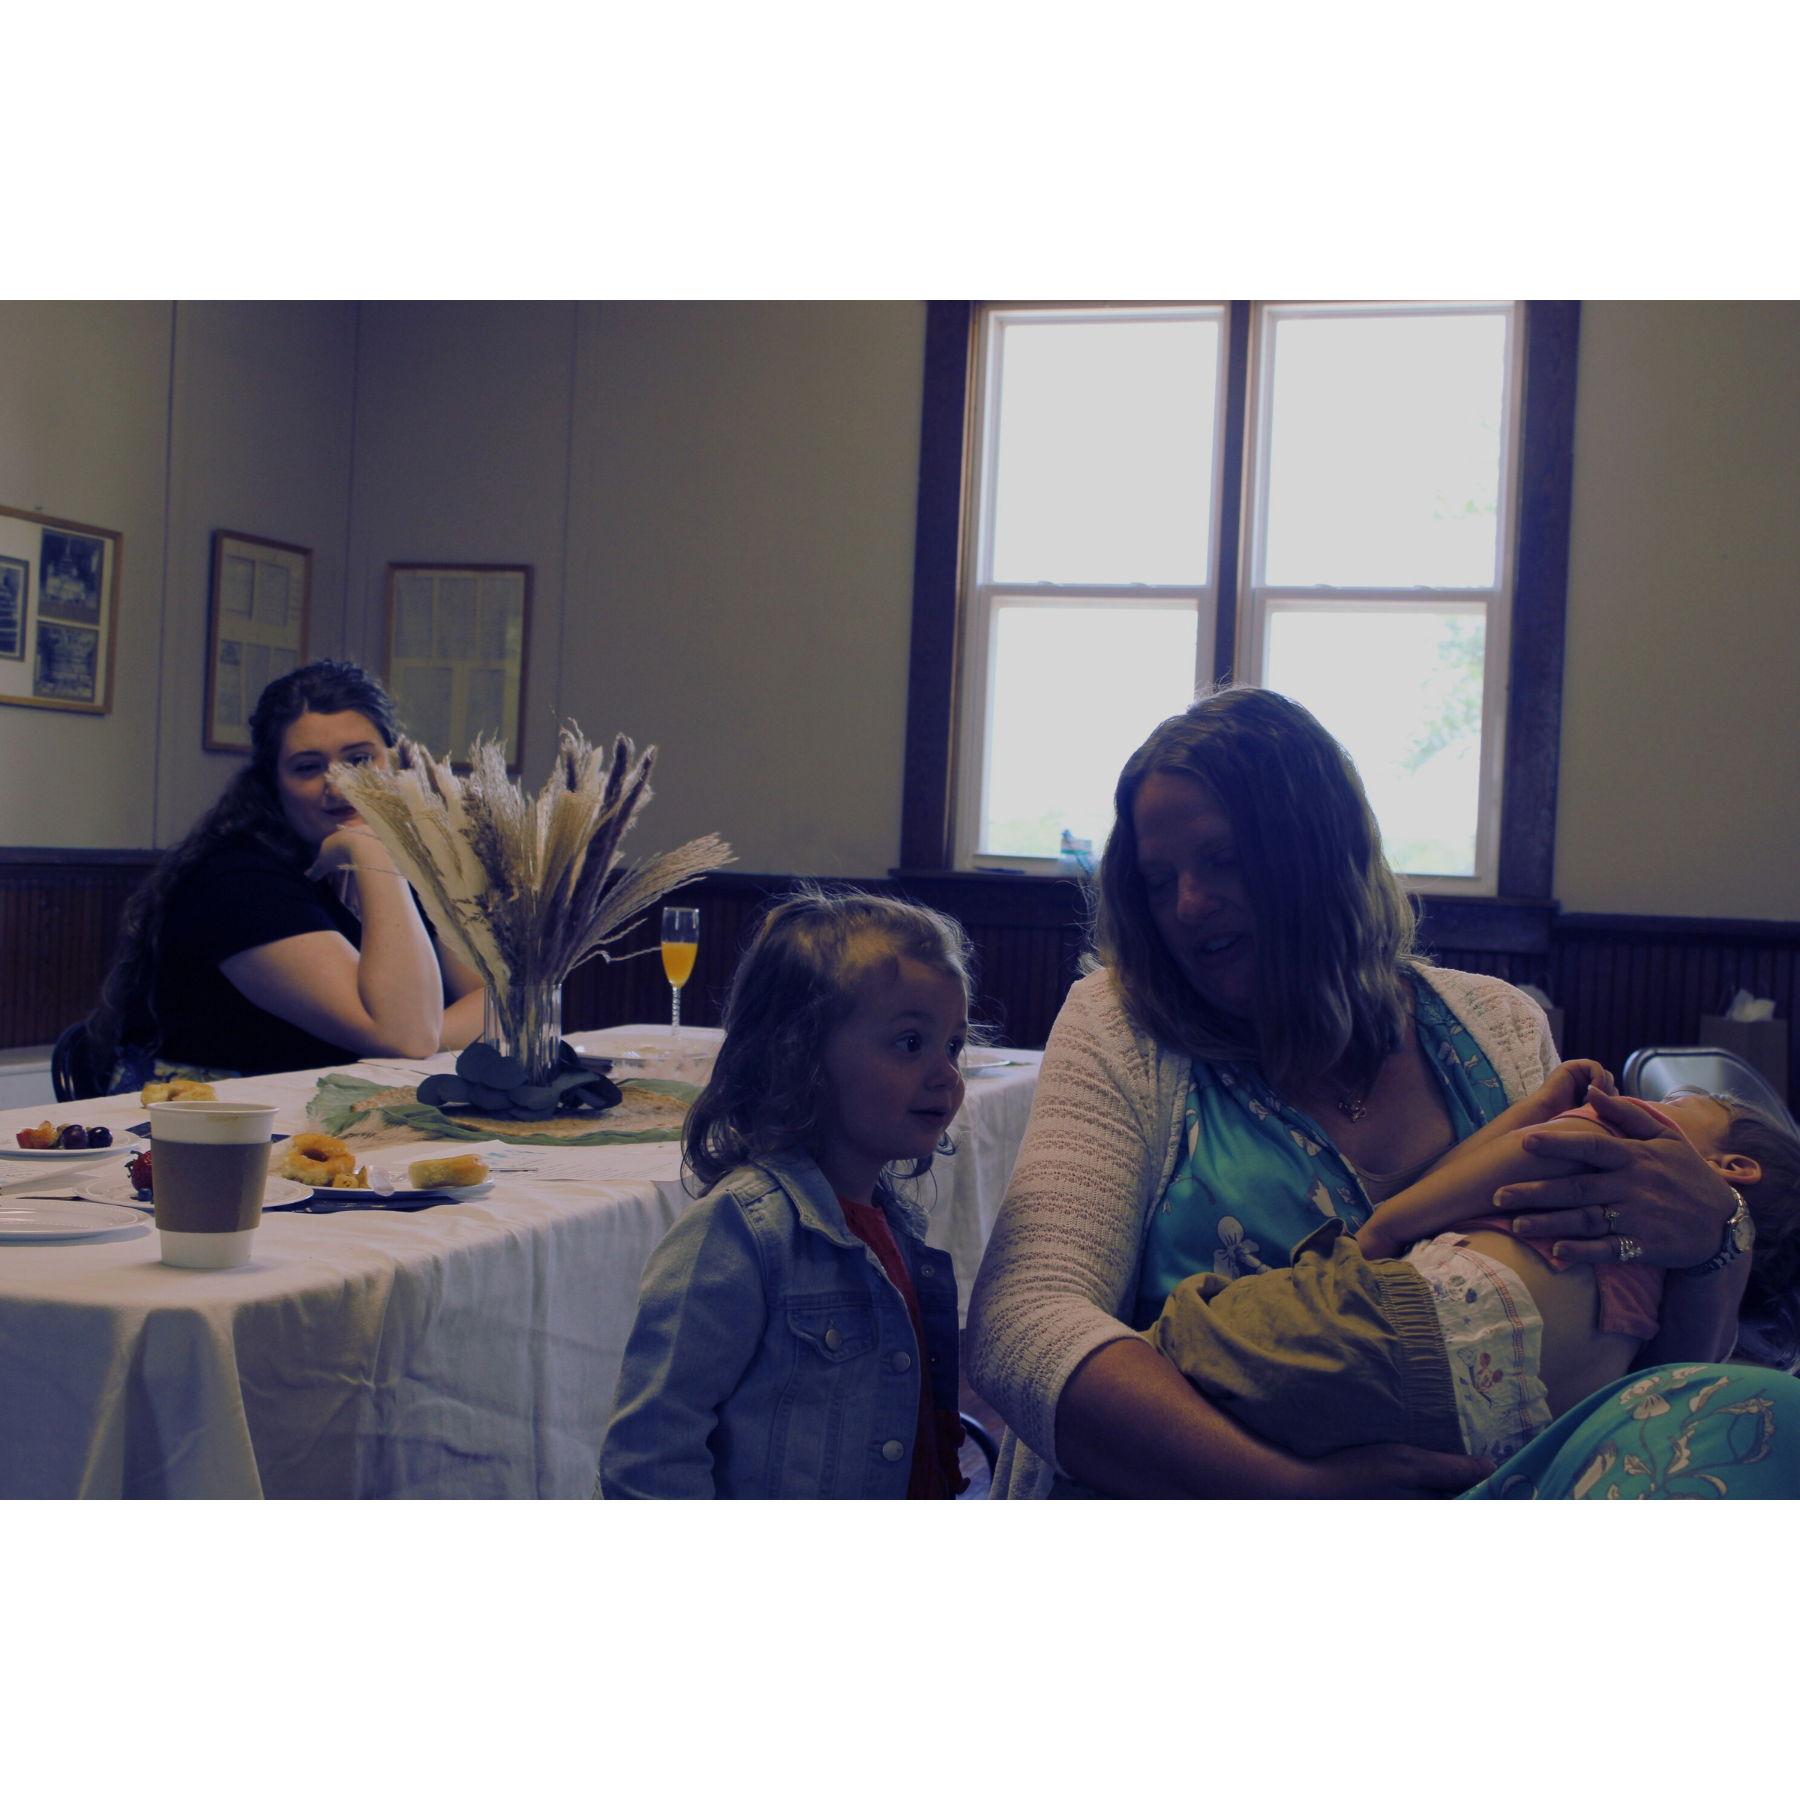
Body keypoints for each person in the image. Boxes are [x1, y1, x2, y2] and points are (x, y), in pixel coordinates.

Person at [966, 685, 1800, 1498]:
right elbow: (1022, 1325)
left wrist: (1716, 1242)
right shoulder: (1122, 1023)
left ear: (1320, 855)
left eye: (1223, 860)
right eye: (1157, 880)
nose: (1187, 905)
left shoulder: (1496, 1025)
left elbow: (1634, 1381)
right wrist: (1288, 1489)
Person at [1136, 1061, 1800, 1476]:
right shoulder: (1676, 1288)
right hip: (1490, 1437)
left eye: (1690, 1107)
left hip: (1404, 1323)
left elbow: (1514, 1160)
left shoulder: (1631, 1134)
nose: (1668, 1104)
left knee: (1185, 1343)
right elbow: (1659, 1386)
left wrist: (1386, 1228)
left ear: (1729, 1168)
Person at [600, 887, 973, 1499]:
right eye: (911, 1043)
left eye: (953, 1045)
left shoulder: (888, 1224)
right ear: (801, 1055)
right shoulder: (737, 1233)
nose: (947, 1074)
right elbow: (649, 1455)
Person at [85, 660, 486, 1084]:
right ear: (273, 782)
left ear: (396, 762)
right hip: (208, 1124)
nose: (339, 785)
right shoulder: (236, 881)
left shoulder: (408, 862)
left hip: (331, 1113)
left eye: (360, 759)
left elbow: (498, 1001)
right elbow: (403, 1037)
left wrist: (429, 1031)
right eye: (308, 767)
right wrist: (373, 855)